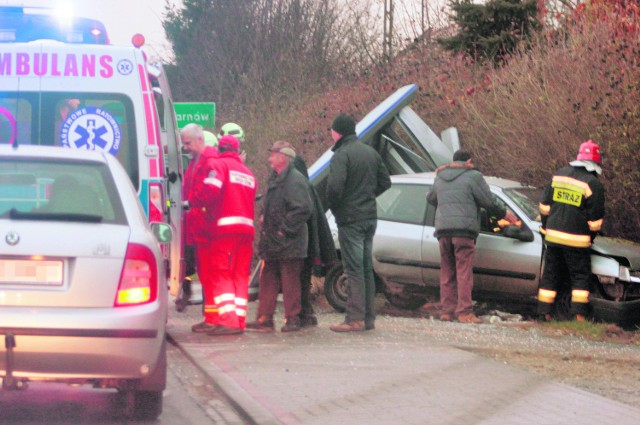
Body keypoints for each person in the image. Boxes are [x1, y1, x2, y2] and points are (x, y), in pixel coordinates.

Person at [427, 150, 517, 323]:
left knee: (447, 271)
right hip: (464, 230)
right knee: (463, 272)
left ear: (453, 161)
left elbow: (431, 198)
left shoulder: (440, 176)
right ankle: (464, 312)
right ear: (469, 161)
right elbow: (488, 201)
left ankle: (447, 311)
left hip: (443, 230)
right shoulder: (474, 176)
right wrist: (504, 213)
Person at [326, 113, 391, 332]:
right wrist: (367, 196)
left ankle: (354, 319)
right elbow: (386, 182)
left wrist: (337, 207)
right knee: (365, 269)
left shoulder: (341, 155)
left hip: (350, 219)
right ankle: (368, 318)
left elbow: (334, 189)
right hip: (369, 218)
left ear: (337, 132)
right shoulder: (370, 153)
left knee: (353, 270)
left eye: (331, 130)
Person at [189, 135, 257, 335]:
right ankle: (236, 319)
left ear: (219, 148)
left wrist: (195, 201)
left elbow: (209, 191)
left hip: (223, 231)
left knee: (220, 272)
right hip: (246, 232)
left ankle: (227, 321)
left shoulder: (218, 166)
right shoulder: (248, 172)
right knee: (239, 274)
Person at [246, 141, 312, 333]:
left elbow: (303, 209)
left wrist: (284, 229)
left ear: (282, 157)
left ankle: (293, 319)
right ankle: (264, 318)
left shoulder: (295, 180)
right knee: (267, 278)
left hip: (289, 242)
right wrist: (264, 216)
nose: (269, 158)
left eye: (273, 154)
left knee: (290, 280)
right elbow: (276, 204)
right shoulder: (276, 178)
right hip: (274, 241)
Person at [537, 140, 605, 322]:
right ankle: (579, 315)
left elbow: (544, 207)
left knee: (550, 275)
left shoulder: (558, 175)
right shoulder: (593, 184)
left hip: (552, 237)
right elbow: (595, 221)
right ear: (596, 163)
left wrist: (546, 227)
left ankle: (544, 313)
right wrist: (590, 238)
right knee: (580, 278)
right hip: (577, 241)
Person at [292, 155, 338, 327]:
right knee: (303, 279)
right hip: (310, 243)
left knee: (298, 279)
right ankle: (306, 312)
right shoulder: (308, 186)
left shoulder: (300, 187)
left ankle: (303, 313)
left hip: (301, 243)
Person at [179, 123, 218, 314]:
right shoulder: (196, 162)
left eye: (188, 143)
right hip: (194, 226)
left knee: (208, 272)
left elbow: (208, 194)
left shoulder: (209, 163)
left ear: (199, 140)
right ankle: (208, 315)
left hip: (204, 227)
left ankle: (210, 315)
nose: (185, 148)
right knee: (199, 270)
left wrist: (190, 203)